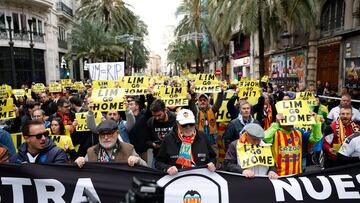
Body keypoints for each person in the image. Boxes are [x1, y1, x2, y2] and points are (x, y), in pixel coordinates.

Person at [155, 109, 216, 175]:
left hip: (200, 178)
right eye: (184, 125)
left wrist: (212, 163)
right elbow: (158, 162)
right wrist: (167, 168)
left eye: (191, 124)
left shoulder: (203, 137)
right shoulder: (168, 139)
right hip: (176, 180)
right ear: (178, 123)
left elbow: (213, 157)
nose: (188, 127)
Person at [74, 120, 147, 167]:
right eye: (102, 134)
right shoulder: (91, 151)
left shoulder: (128, 148)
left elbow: (146, 168)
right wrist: (79, 161)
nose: (106, 137)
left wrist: (138, 160)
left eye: (110, 134)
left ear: (117, 133)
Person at [146, 99, 177, 164]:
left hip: (174, 157)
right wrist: (153, 144)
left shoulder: (175, 119)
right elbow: (146, 140)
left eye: (159, 115)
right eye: (154, 116)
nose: (157, 118)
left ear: (165, 110)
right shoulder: (151, 122)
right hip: (158, 157)